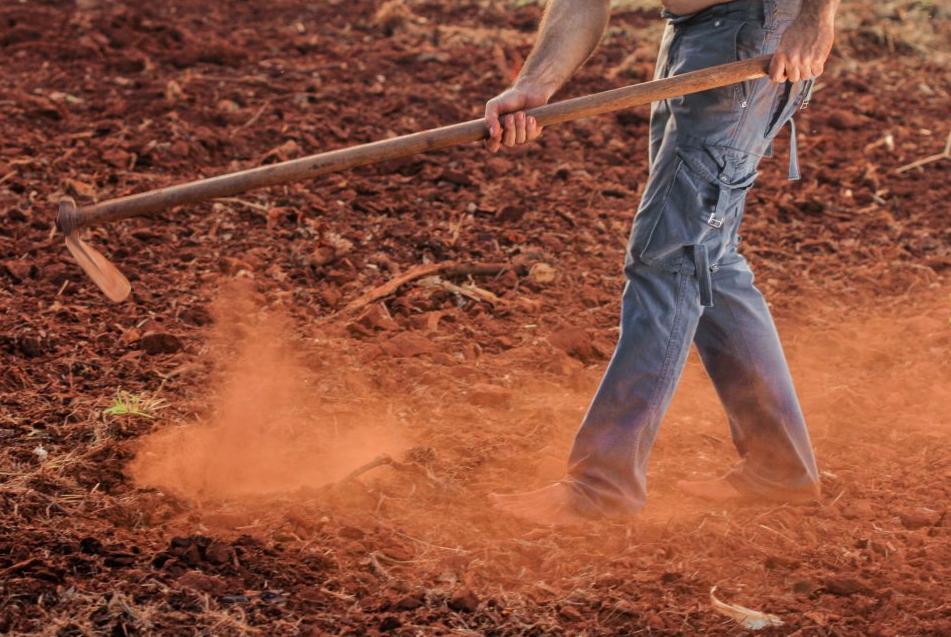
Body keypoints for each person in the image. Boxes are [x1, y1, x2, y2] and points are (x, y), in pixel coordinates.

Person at [485, 0, 838, 525]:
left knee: (669, 258)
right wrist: (536, 84)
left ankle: (600, 487)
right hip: (700, 37)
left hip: (754, 37)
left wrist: (816, 16)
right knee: (706, 257)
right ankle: (777, 465)